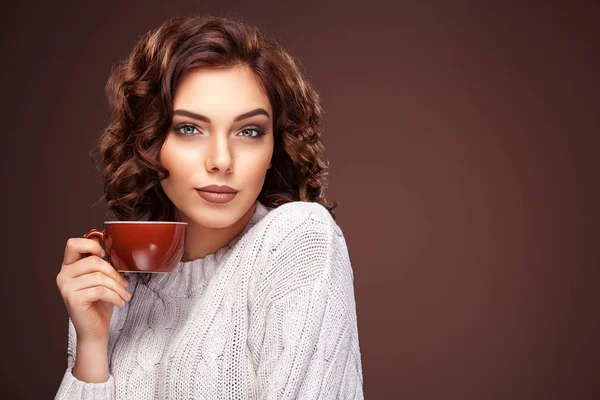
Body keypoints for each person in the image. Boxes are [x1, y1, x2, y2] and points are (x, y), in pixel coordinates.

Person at [55, 14, 363, 399]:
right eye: (189, 128)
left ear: (274, 149)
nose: (221, 160)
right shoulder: (118, 284)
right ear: (149, 142)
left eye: (249, 131)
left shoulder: (298, 239)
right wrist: (91, 346)